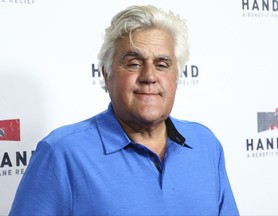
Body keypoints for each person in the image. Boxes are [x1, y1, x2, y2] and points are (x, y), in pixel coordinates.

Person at [9, 5, 239, 216]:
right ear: (107, 75)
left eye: (162, 65)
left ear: (176, 77)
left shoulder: (206, 145)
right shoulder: (61, 153)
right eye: (133, 63)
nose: (149, 76)